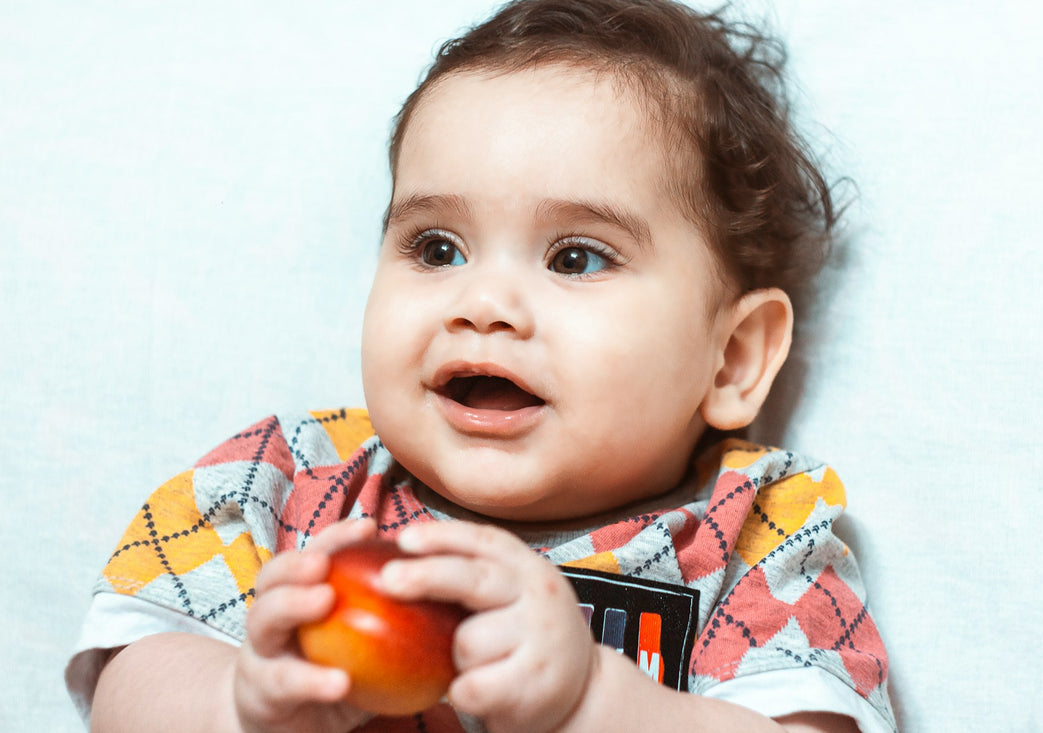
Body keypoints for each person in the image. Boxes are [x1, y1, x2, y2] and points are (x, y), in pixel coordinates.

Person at [66, 1, 896, 731]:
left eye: (576, 258)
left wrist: (590, 705)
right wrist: (239, 705)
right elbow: (127, 677)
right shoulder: (289, 482)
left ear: (733, 359)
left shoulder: (758, 532)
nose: (483, 302)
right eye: (437, 248)